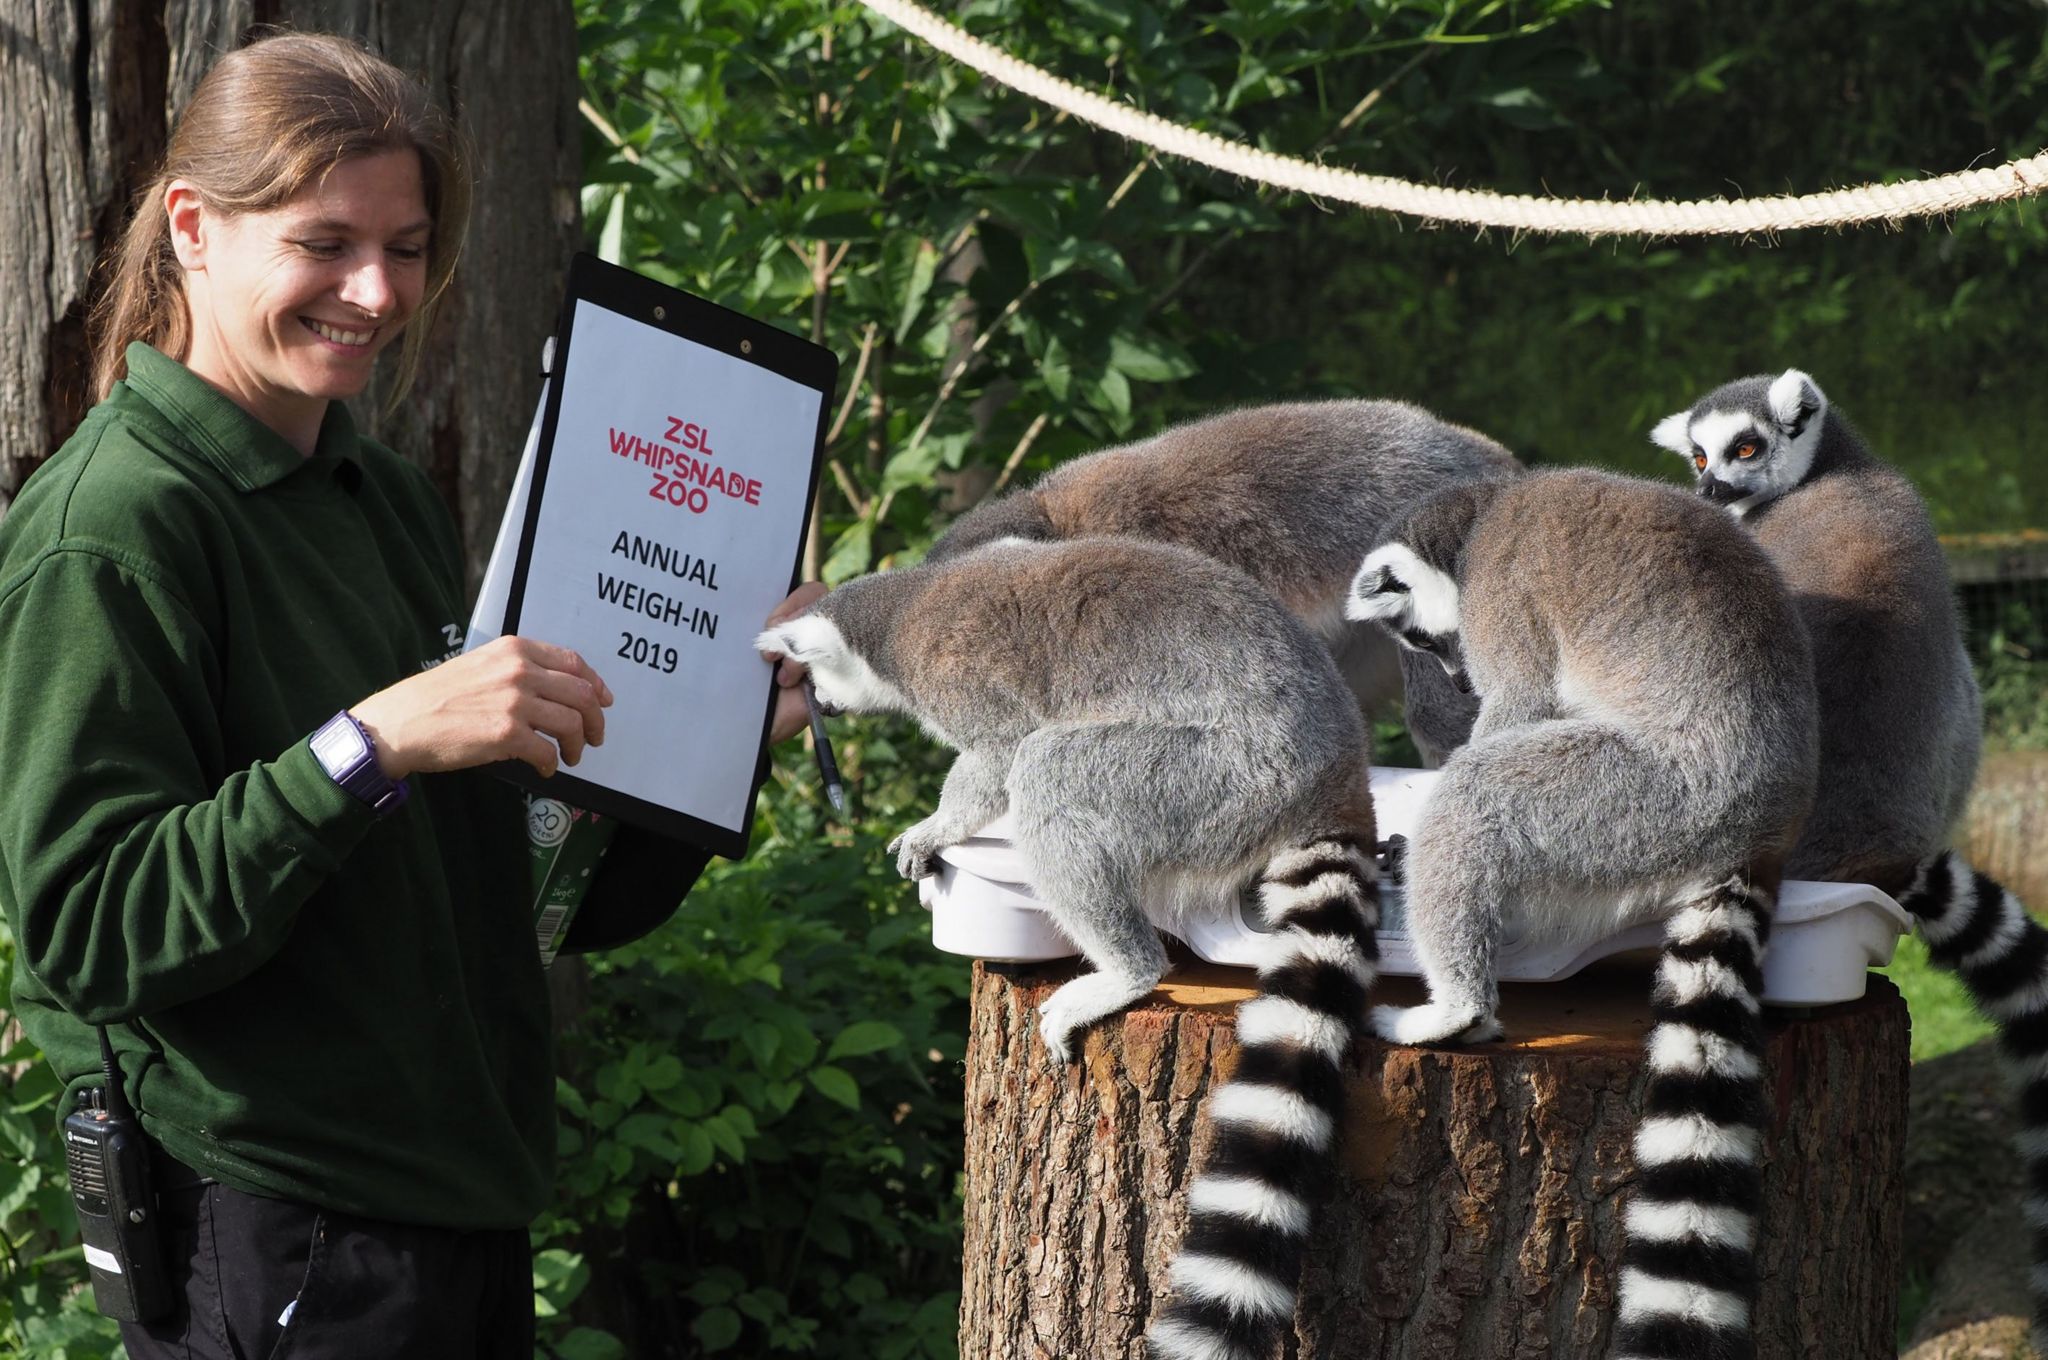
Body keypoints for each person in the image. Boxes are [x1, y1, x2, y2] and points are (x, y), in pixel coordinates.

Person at [0, 31, 822, 1359]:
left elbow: (518, 901)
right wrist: (370, 744)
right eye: (325, 242)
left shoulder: (376, 494)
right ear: (194, 227)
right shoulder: (114, 526)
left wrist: (714, 745)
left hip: (459, 1205)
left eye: (407, 244)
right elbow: (90, 929)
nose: (378, 291)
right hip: (278, 1221)